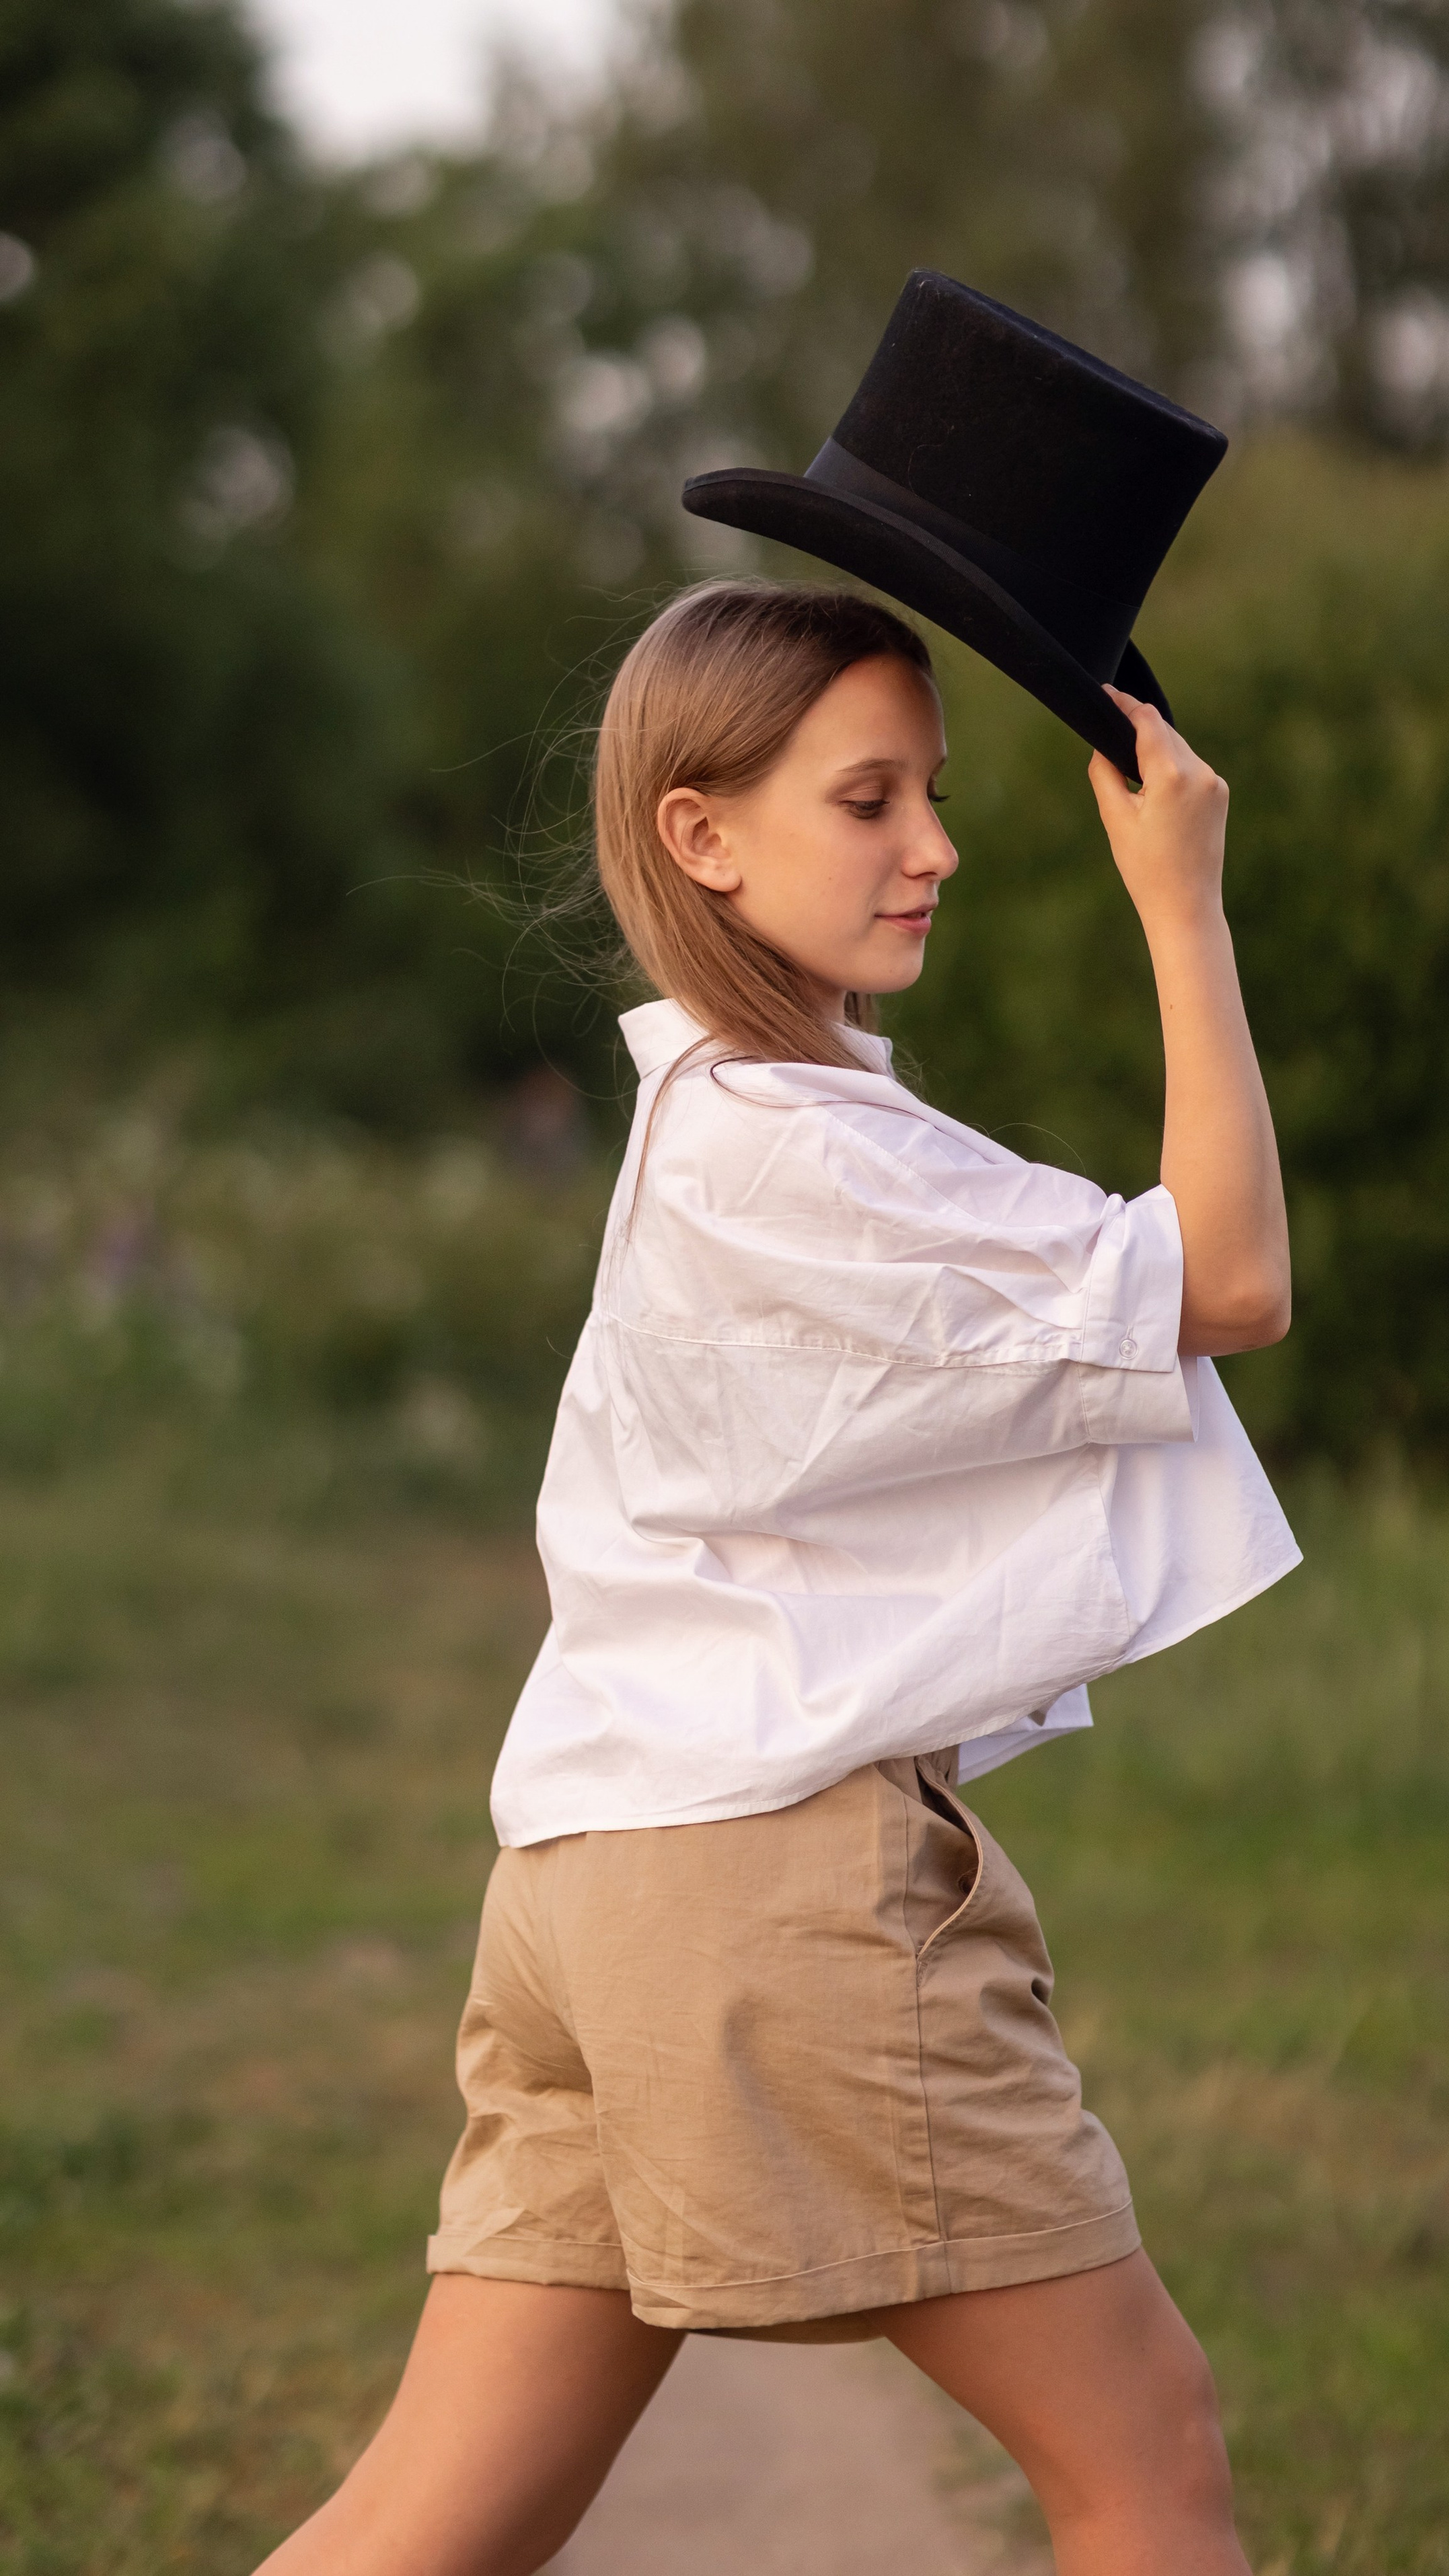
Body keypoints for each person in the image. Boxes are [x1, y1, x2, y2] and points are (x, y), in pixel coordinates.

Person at [257, 577, 1296, 2576]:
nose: (936, 846)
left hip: (584, 1888)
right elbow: (1232, 1277)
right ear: (701, 836)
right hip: (759, 1883)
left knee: (422, 2525)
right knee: (1144, 2456)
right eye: (868, 799)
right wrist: (1183, 899)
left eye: (930, 792)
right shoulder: (806, 1152)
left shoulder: (720, 1127)